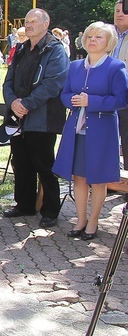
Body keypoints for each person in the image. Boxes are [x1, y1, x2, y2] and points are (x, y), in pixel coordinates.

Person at [53, 22, 128, 241]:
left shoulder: (115, 68)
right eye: (90, 36)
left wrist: (91, 101)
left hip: (102, 132)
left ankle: (93, 221)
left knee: (98, 179)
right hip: (76, 131)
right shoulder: (75, 66)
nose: (93, 40)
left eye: (99, 37)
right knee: (79, 178)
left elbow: (122, 100)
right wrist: (73, 101)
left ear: (109, 43)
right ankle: (80, 219)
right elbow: (64, 94)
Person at [2, 8, 69, 228]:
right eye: (27, 22)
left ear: (46, 24)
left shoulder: (55, 50)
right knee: (20, 163)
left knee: (44, 165)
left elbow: (52, 84)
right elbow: (8, 80)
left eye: (33, 21)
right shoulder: (21, 49)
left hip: (42, 118)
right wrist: (12, 102)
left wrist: (26, 105)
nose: (28, 25)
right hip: (18, 117)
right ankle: (25, 205)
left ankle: (50, 210)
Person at [111, 0, 128, 169]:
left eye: (124, 11)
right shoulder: (108, 35)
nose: (120, 14)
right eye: (116, 11)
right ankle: (111, 179)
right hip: (108, 96)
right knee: (109, 140)